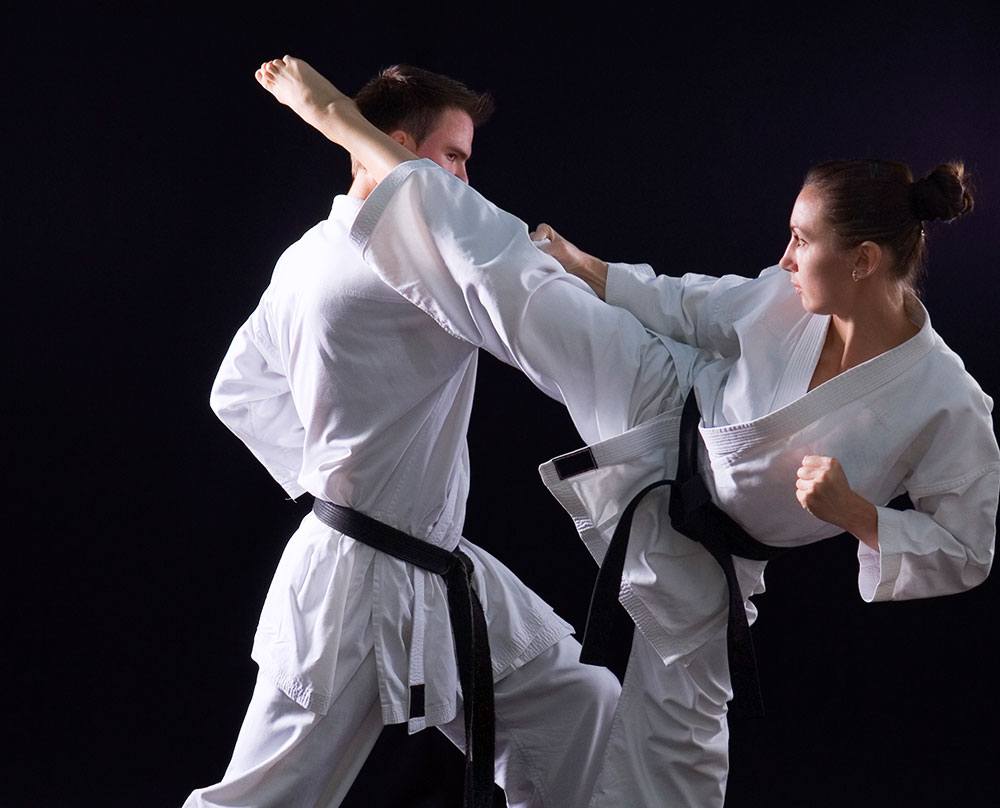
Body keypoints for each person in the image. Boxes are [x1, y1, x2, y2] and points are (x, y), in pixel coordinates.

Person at [253, 56, 999, 807]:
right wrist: (585, 266)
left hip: (713, 557)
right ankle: (345, 125)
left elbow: (968, 547)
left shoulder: (947, 402)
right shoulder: (784, 297)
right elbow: (688, 306)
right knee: (518, 277)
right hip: (657, 400)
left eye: (802, 241)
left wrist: (861, 518)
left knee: (678, 761)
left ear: (865, 261)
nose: (784, 258)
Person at [184, 64, 620, 808]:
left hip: (424, 559)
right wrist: (344, 492)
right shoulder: (398, 267)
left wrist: (330, 478)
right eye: (452, 157)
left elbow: (239, 387)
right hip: (354, 580)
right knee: (263, 799)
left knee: (578, 707)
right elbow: (522, 314)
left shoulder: (306, 254)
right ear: (390, 147)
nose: (463, 180)